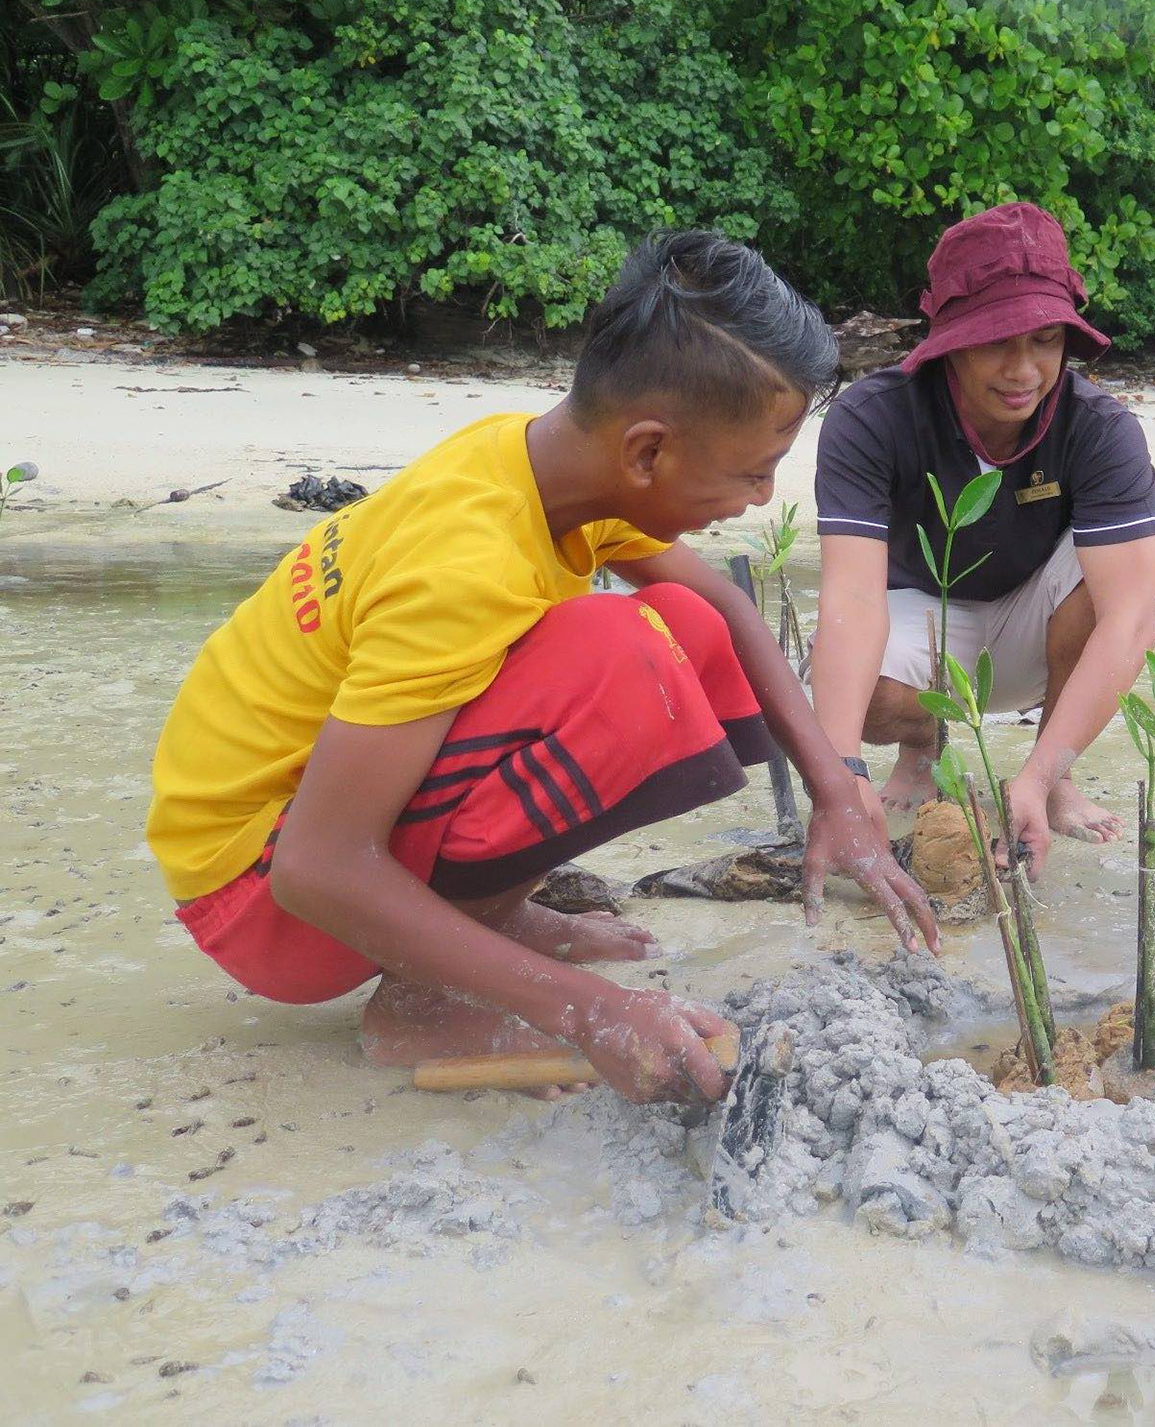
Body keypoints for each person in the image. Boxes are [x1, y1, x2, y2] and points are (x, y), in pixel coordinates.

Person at [147, 232, 937, 1107]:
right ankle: (421, 1003)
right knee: (624, 658)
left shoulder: (541, 462)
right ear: (646, 453)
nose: (758, 500)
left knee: (690, 631)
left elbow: (730, 611)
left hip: (299, 834)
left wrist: (836, 792)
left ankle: (484, 918)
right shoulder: (465, 564)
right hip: (262, 897)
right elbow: (316, 868)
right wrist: (591, 1012)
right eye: (752, 474)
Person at [810, 203, 1155, 873]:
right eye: (997, 340)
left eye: (1045, 341)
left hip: (1039, 622)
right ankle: (922, 747)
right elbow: (852, 600)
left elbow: (1131, 621)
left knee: (1116, 588)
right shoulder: (871, 418)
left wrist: (1031, 778)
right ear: (948, 340)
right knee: (854, 703)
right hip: (920, 611)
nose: (1023, 370)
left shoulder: (1100, 429)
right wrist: (842, 773)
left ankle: (1054, 779)